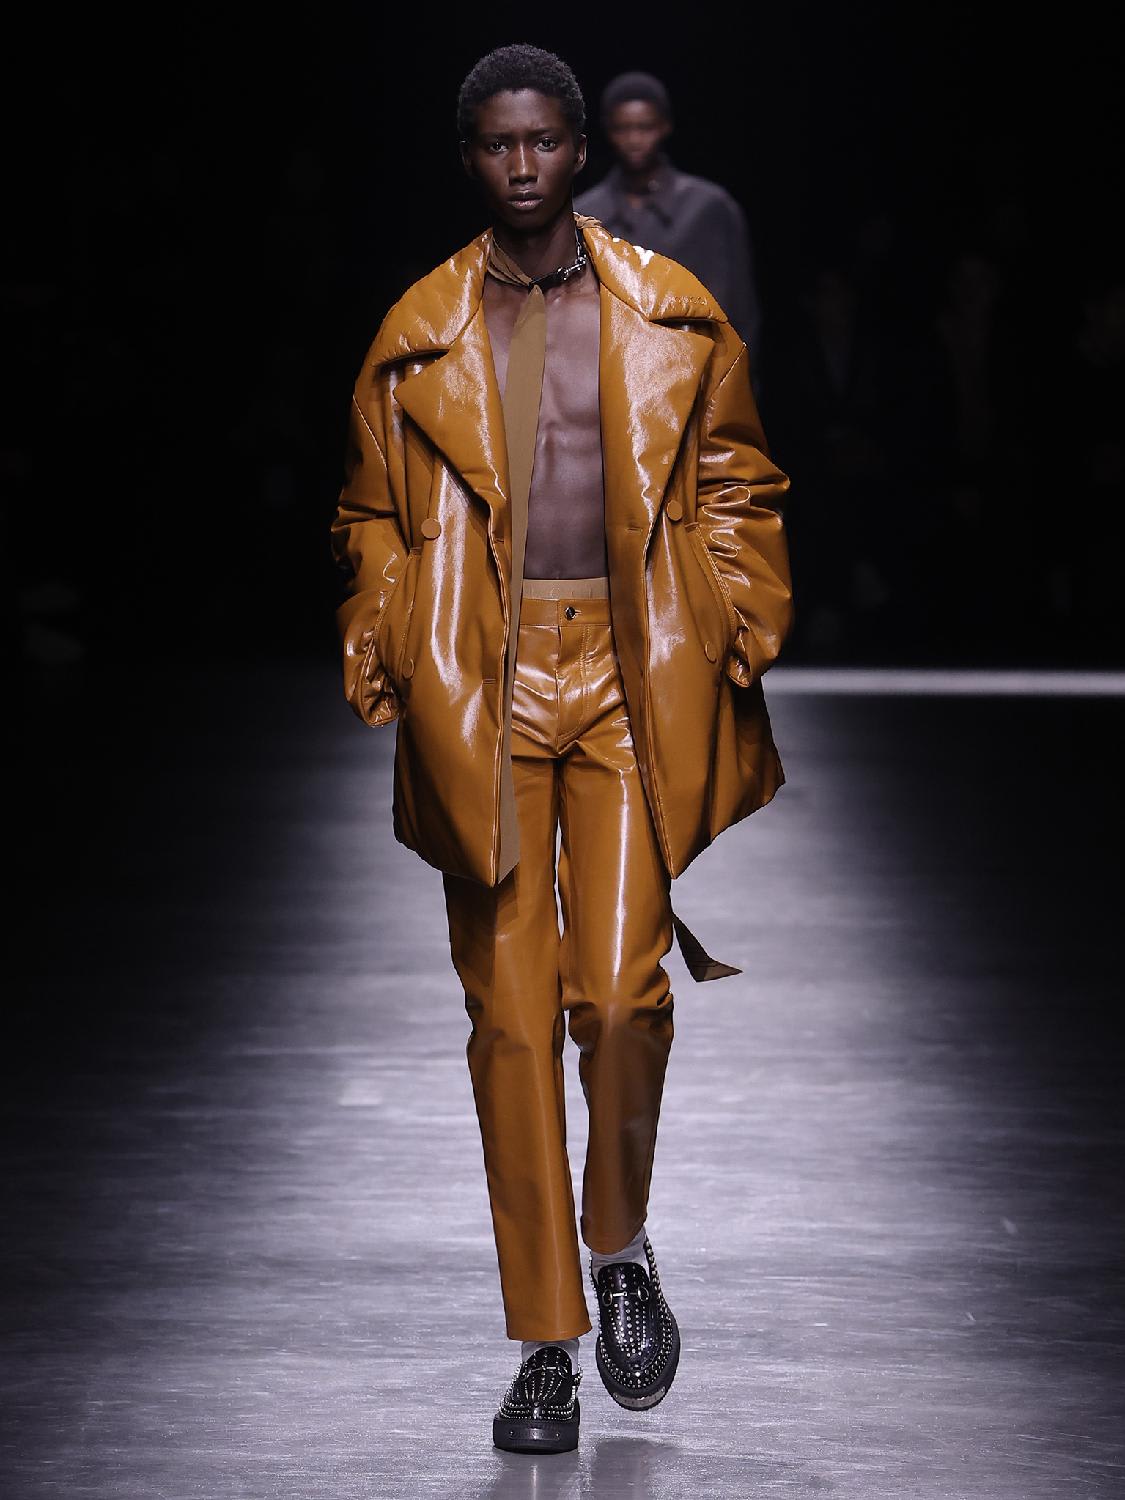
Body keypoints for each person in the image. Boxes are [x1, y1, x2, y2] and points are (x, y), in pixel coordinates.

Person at [330, 43, 792, 1455]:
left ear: (580, 149)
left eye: (543, 140)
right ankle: (545, 1342)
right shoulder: (420, 329)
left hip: (629, 672)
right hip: (486, 674)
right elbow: (370, 512)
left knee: (623, 999)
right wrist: (391, 631)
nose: (522, 164)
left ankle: (618, 1242)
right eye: (496, 143)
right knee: (512, 1021)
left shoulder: (669, 308)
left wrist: (738, 616)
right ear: (470, 157)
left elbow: (736, 475)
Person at [575, 70, 762, 378]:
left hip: (697, 382)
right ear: (608, 130)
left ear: (665, 126)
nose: (634, 139)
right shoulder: (584, 214)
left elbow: (740, 313)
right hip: (608, 385)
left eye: (645, 127)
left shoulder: (709, 208)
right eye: (623, 128)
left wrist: (739, 393)